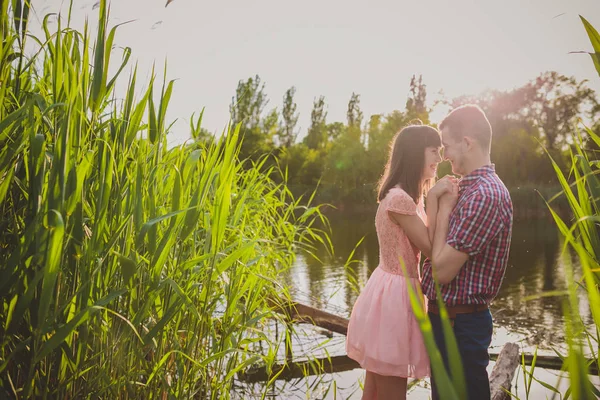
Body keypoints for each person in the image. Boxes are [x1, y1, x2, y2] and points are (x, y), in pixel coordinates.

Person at [346, 124, 455, 400]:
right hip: (395, 298)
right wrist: (436, 201)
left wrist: (429, 198)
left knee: (374, 390)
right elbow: (431, 249)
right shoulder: (400, 200)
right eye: (434, 151)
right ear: (415, 153)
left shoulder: (403, 197)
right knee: (392, 392)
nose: (439, 159)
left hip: (391, 291)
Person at [421, 105, 514, 400]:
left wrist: (444, 207)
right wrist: (436, 200)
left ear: (467, 142)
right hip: (447, 321)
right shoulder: (467, 190)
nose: (444, 155)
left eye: (447, 146)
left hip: (460, 326)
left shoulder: (484, 196)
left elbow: (442, 272)